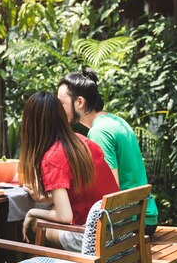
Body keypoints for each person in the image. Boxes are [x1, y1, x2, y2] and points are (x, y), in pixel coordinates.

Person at [57, 67, 159, 235]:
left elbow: (110, 193)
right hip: (144, 216)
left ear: (80, 102)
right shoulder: (114, 120)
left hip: (132, 223)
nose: (59, 109)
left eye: (62, 103)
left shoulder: (99, 133)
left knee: (52, 229)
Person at [19, 91, 119, 252]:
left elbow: (65, 217)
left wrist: (32, 212)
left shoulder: (52, 156)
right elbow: (83, 191)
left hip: (94, 239)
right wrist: (44, 198)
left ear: (31, 125)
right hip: (118, 230)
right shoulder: (82, 141)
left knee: (34, 223)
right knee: (48, 211)